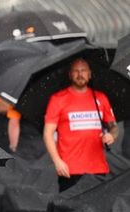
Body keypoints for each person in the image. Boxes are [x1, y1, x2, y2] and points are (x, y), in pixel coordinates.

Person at [43, 57, 117, 192]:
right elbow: (48, 133)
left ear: (89, 74)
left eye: (83, 71)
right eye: (76, 71)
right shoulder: (58, 99)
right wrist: (57, 161)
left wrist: (111, 135)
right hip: (70, 169)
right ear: (70, 75)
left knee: (96, 210)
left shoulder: (100, 98)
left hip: (97, 168)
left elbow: (114, 126)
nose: (80, 74)